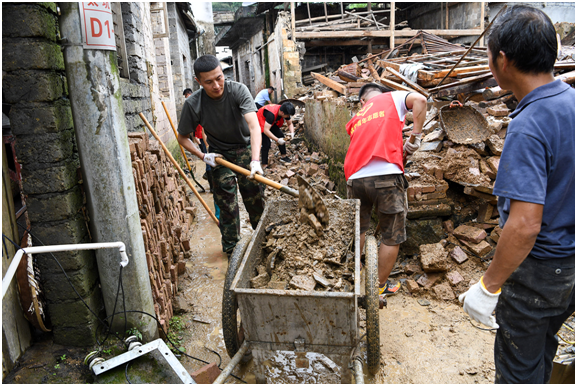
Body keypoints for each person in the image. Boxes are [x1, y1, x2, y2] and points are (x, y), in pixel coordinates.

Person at [458, 5, 575, 384]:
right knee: (542, 345)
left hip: (539, 271)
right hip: (570, 268)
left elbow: (525, 225)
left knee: (518, 370)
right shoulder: (571, 105)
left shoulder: (529, 125)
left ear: (502, 60)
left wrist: (488, 285)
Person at [177, 55, 265, 255]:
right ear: (198, 81)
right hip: (219, 156)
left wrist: (255, 160)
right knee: (226, 204)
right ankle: (232, 251)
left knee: (255, 196)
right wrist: (202, 155)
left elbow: (254, 126)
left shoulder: (238, 90)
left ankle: (264, 240)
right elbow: (182, 138)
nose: (216, 85)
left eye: (219, 78)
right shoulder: (194, 104)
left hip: (244, 148)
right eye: (209, 82)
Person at [344, 83, 426, 296]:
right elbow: (421, 101)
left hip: (354, 178)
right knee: (391, 234)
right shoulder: (391, 98)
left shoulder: (354, 119)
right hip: (386, 176)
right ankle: (378, 287)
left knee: (357, 228)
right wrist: (414, 139)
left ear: (362, 101)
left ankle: (351, 278)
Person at [257, 102, 295, 167]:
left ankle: (284, 157)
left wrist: (292, 133)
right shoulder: (271, 114)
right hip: (260, 122)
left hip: (270, 123)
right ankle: (264, 164)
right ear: (282, 113)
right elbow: (266, 131)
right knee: (266, 143)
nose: (288, 117)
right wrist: (277, 140)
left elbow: (290, 123)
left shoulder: (284, 110)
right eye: (288, 115)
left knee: (281, 136)